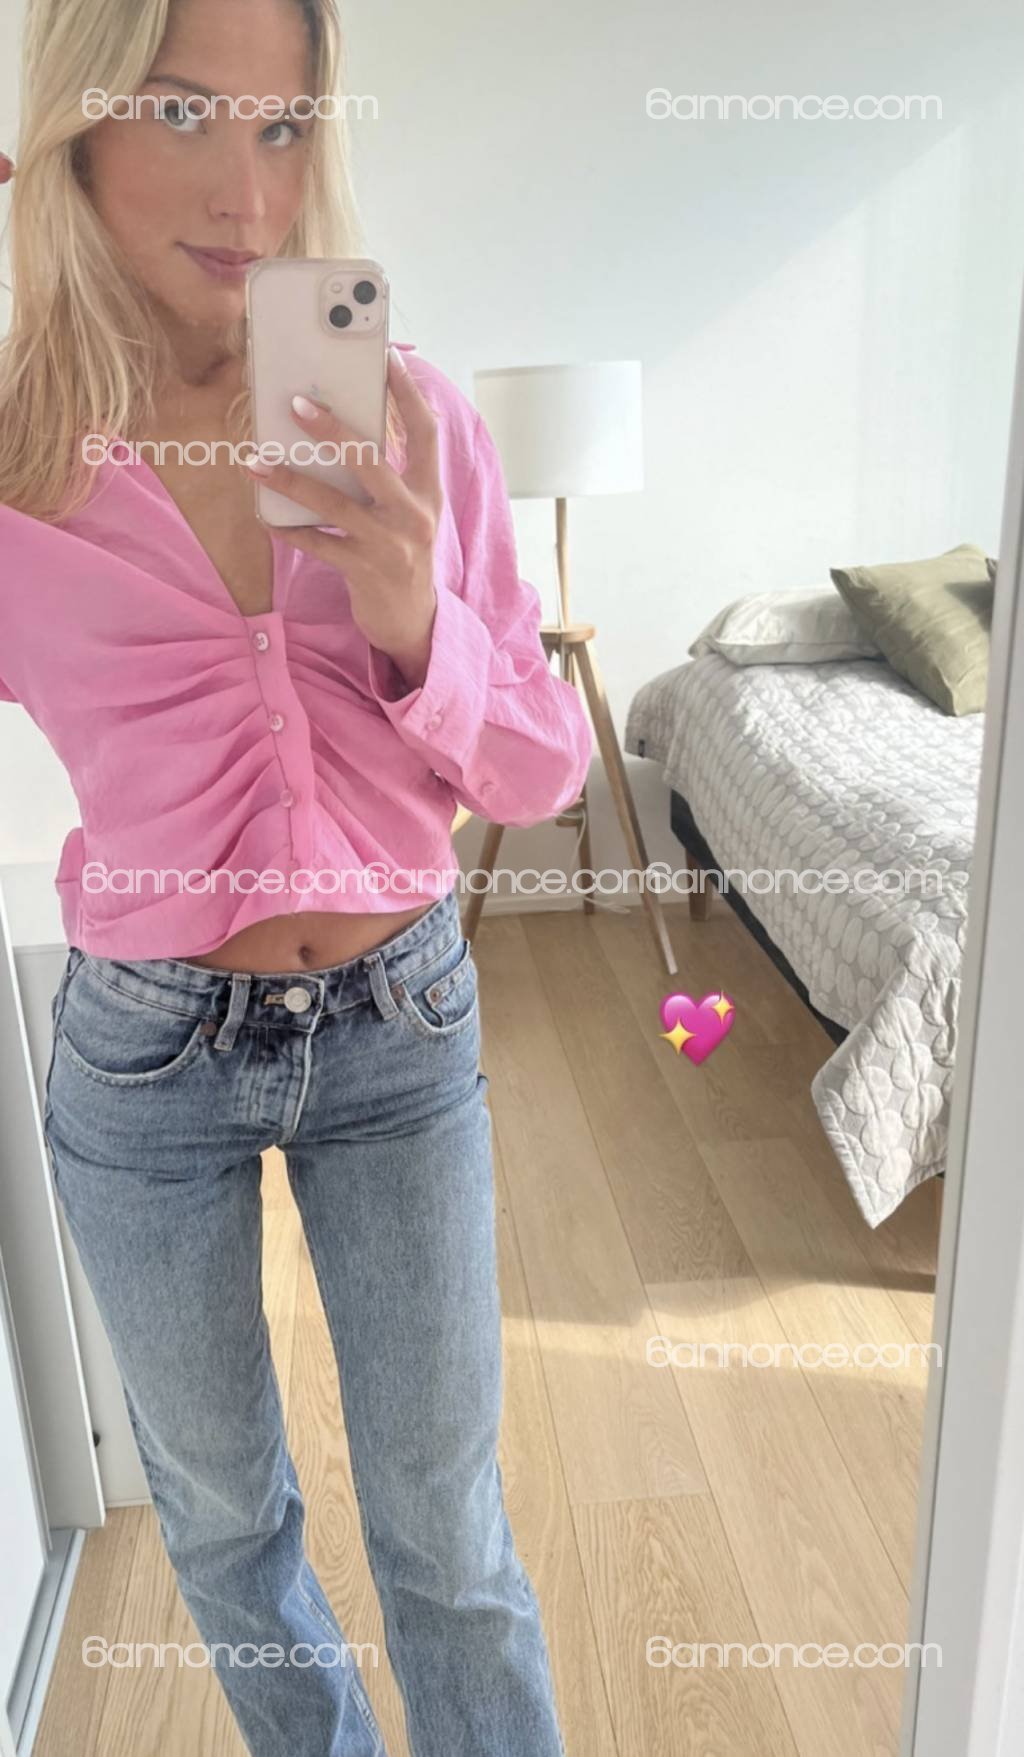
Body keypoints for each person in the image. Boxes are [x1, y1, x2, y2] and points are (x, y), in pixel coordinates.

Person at [0, 2, 592, 1753]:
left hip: (401, 1024)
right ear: (76, 123)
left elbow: (541, 771)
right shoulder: (14, 456)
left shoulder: (407, 415)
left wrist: (418, 619)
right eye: (185, 112)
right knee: (223, 1526)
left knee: (447, 1536)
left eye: (279, 126)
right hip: (144, 1054)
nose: (246, 193)